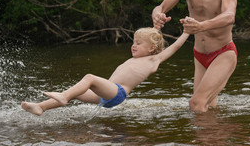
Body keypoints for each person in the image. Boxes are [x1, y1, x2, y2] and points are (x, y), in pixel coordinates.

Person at [21, 27, 189, 116]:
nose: (133, 45)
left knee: (89, 78)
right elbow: (152, 36)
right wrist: (157, 25)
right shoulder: (139, 58)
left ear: (152, 48)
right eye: (133, 42)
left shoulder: (153, 60)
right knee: (77, 92)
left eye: (139, 43)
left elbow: (175, 47)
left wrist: (186, 32)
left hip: (117, 93)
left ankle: (64, 97)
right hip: (106, 94)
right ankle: (41, 108)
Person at [152, 0, 237, 113]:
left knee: (196, 104)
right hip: (199, 56)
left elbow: (229, 16)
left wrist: (202, 25)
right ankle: (212, 139)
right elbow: (161, 6)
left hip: (223, 53)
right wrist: (157, 15)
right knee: (208, 107)